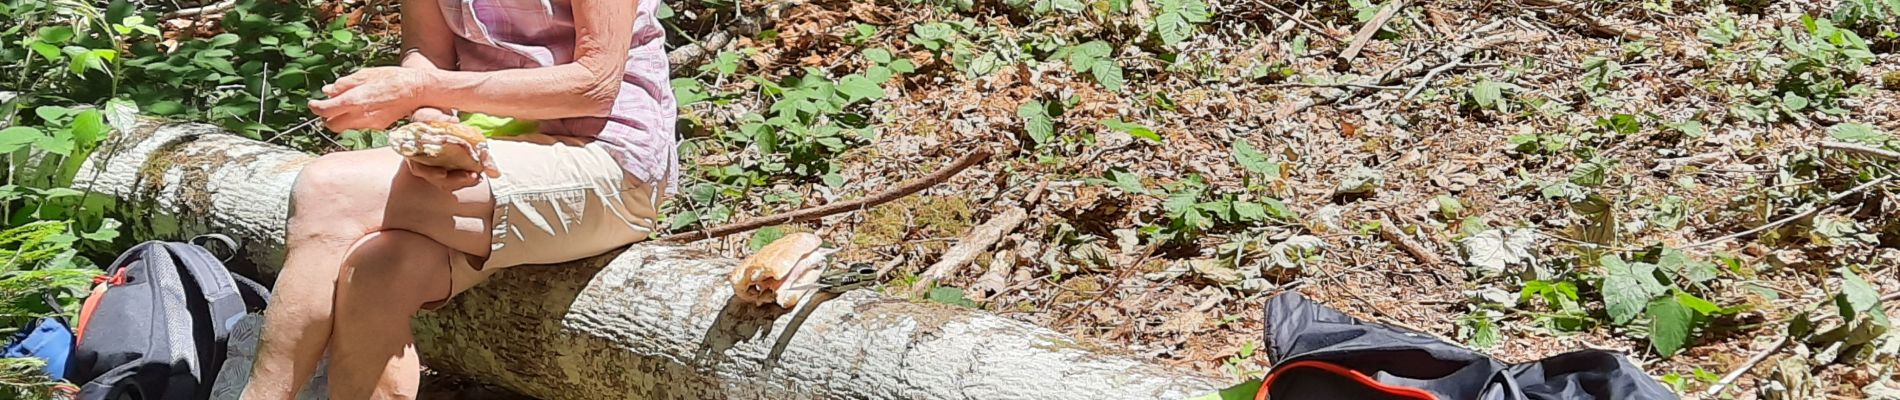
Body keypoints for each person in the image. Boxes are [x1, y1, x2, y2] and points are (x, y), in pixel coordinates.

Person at [239, 0, 675, 397]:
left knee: (329, 189)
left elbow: (593, 84)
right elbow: (426, 58)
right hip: (499, 153)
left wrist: (421, 91)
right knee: (377, 270)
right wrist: (435, 130)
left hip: (612, 164)